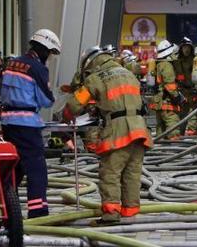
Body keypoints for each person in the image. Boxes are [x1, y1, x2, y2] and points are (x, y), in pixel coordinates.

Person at [65, 46, 151, 226]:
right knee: (132, 173)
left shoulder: (96, 78)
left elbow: (74, 106)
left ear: (91, 63)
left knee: (110, 173)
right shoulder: (129, 74)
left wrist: (66, 115)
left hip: (118, 131)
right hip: (139, 129)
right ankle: (130, 211)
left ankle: (111, 214)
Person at [0, 28, 61, 218]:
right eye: (50, 53)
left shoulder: (11, 63)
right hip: (27, 124)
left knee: (15, 167)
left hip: (7, 122)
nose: (50, 57)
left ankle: (8, 210)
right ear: (45, 49)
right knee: (36, 168)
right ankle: (38, 212)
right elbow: (46, 100)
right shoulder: (37, 68)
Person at [149, 40, 183, 140]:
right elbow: (169, 84)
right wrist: (177, 97)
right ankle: (173, 148)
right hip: (168, 103)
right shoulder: (167, 65)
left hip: (159, 102)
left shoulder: (159, 64)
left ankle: (161, 148)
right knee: (173, 130)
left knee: (161, 132)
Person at [174, 38, 197, 135]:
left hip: (193, 90)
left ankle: (192, 131)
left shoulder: (195, 60)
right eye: (184, 47)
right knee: (182, 113)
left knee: (194, 112)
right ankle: (181, 133)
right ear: (181, 49)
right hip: (182, 91)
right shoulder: (177, 61)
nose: (186, 49)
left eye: (188, 47)